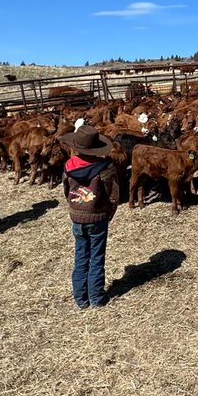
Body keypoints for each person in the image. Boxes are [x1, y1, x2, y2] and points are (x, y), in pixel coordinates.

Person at [58, 123, 120, 309]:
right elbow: (114, 194)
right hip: (98, 216)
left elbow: (66, 190)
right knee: (97, 256)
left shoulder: (68, 166)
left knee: (81, 255)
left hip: (77, 216)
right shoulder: (105, 167)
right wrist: (109, 212)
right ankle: (96, 297)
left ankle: (80, 298)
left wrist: (74, 206)